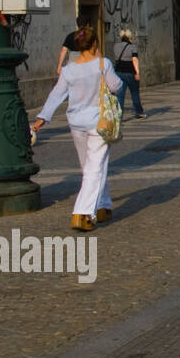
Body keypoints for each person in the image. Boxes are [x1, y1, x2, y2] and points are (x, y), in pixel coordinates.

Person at [31, 25, 125, 231]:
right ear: (94, 44)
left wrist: (41, 119)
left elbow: (56, 95)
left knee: (90, 167)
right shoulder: (103, 64)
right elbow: (117, 86)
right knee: (95, 167)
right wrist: (101, 63)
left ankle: (102, 205)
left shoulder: (68, 70)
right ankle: (82, 213)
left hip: (76, 123)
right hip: (98, 122)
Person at [112, 27, 146, 120]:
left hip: (119, 72)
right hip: (130, 73)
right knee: (134, 93)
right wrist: (137, 73)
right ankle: (139, 112)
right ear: (130, 37)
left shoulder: (115, 46)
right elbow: (134, 60)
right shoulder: (133, 47)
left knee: (120, 95)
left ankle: (119, 116)